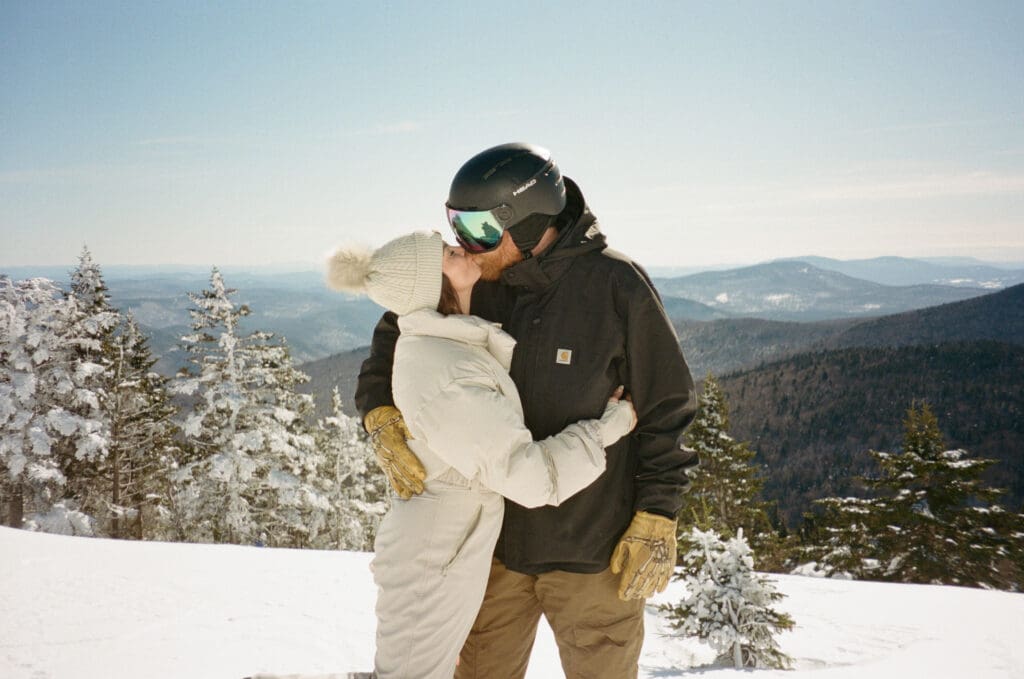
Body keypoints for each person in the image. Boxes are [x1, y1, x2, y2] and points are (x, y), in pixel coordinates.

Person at [356, 143, 698, 678]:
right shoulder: (473, 284)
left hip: (592, 550)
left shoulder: (616, 286)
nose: (464, 245)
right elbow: (395, 338)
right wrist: (379, 410)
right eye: (456, 225)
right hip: (494, 553)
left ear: (528, 223)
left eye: (481, 229)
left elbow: (667, 404)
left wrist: (658, 511)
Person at [326, 231, 638, 679]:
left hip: (447, 546)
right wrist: (609, 428)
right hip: (434, 556)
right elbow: (531, 478)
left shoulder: (453, 343)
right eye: (450, 255)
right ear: (432, 287)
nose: (464, 250)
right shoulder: (445, 371)